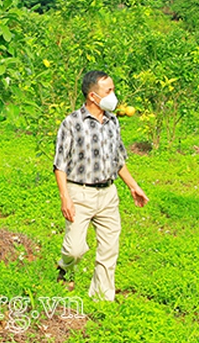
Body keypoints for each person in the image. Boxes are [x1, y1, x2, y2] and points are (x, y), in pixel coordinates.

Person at [53, 70, 149, 301]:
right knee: (74, 249)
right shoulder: (72, 123)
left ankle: (102, 298)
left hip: (108, 194)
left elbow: (118, 160)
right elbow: (60, 164)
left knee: (109, 249)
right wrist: (65, 197)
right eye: (109, 91)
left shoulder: (113, 121)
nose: (114, 96)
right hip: (80, 193)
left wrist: (133, 186)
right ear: (93, 97)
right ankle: (65, 267)